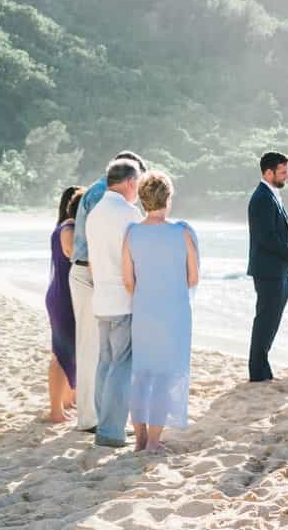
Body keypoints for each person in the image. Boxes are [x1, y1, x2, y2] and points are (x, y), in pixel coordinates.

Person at [121, 171, 200, 453]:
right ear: (168, 198)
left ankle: (140, 439)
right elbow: (193, 278)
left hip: (144, 310)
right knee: (165, 375)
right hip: (174, 312)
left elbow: (128, 281)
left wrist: (147, 295)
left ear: (142, 199)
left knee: (142, 373)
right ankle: (154, 441)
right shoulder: (183, 233)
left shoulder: (132, 233)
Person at [69, 150, 146, 431]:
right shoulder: (111, 202)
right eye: (139, 181)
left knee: (101, 356)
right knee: (103, 354)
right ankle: (95, 420)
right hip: (94, 277)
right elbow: (113, 250)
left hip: (93, 278)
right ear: (129, 180)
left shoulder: (98, 198)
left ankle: (98, 419)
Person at [246, 151, 288, 383]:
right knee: (266, 319)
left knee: (271, 319)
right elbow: (266, 238)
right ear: (268, 172)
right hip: (268, 270)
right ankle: (258, 371)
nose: (286, 176)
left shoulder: (272, 195)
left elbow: (277, 234)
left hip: (277, 268)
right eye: (282, 172)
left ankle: (262, 368)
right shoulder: (261, 198)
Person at [46, 185, 83, 423]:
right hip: (63, 297)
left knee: (72, 351)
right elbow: (75, 257)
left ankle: (68, 402)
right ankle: (55, 411)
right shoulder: (68, 229)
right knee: (61, 354)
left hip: (66, 294)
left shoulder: (65, 227)